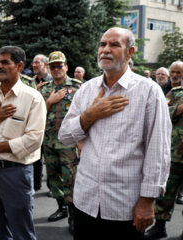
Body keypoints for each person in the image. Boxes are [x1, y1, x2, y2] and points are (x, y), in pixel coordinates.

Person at [58, 27, 171, 240]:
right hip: (85, 203)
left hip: (125, 207)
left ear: (130, 52)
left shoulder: (148, 91)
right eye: (102, 44)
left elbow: (158, 151)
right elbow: (64, 136)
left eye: (114, 44)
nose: (105, 50)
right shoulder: (87, 89)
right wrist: (89, 115)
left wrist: (147, 201)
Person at [0, 46, 46, 240]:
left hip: (17, 172)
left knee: (22, 231)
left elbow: (34, 139)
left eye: (5, 62)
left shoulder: (32, 98)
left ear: (19, 66)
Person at [40, 51, 81, 229]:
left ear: (66, 67)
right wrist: (49, 102)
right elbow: (35, 114)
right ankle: (61, 208)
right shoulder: (43, 89)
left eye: (59, 65)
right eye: (53, 66)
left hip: (69, 143)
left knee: (70, 179)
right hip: (49, 142)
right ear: (49, 68)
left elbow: (85, 114)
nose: (56, 69)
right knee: (53, 178)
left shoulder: (78, 87)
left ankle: (73, 215)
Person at [144, 60, 183, 240]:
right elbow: (161, 114)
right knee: (166, 193)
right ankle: (160, 226)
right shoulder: (167, 92)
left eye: (179, 73)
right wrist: (179, 108)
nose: (175, 75)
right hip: (174, 151)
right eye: (173, 72)